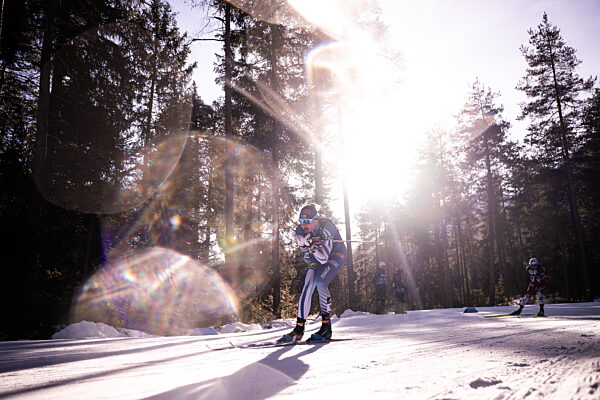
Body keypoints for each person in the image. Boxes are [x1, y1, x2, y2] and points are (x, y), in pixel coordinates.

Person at [280, 204, 347, 342]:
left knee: (321, 283)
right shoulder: (300, 231)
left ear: (315, 220)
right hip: (316, 256)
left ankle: (326, 328)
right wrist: (305, 246)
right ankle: (299, 328)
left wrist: (311, 246)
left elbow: (324, 259)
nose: (304, 225)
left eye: (307, 221)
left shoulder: (327, 227)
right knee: (308, 285)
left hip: (335, 254)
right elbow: (306, 258)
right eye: (301, 221)